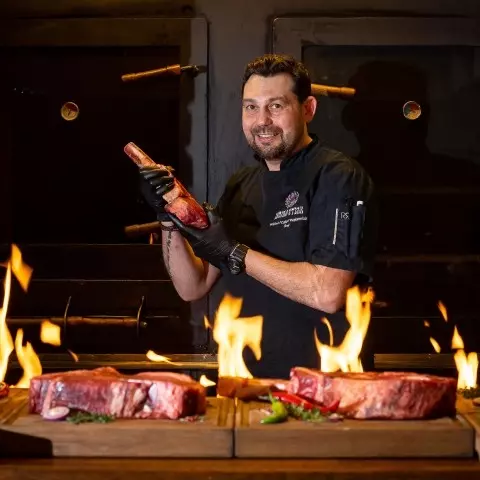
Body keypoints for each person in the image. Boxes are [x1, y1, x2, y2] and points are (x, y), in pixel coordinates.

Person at [139, 54, 378, 379]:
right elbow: (192, 286)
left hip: (325, 385)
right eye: (251, 107)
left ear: (308, 109)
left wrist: (235, 252)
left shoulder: (338, 177)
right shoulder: (242, 184)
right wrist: (167, 216)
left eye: (276, 106)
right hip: (245, 381)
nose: (262, 120)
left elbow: (327, 293)